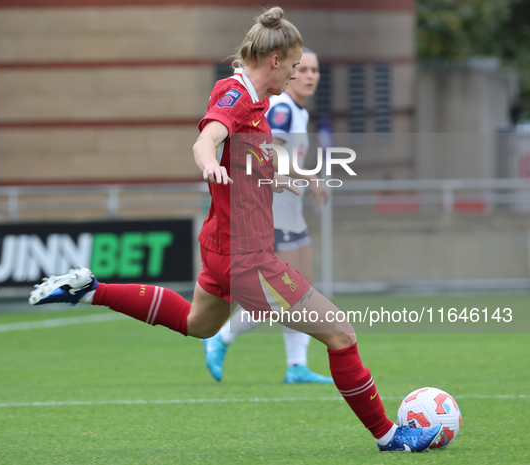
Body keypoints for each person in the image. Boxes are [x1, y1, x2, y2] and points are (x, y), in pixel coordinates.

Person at [29, 7, 443, 452]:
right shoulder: (236, 95)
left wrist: (279, 176)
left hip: (223, 247)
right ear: (276, 61)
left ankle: (90, 289)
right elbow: (207, 137)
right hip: (247, 256)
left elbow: (245, 155)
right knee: (340, 333)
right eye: (296, 65)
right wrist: (207, 161)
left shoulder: (255, 99)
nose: (299, 74)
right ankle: (390, 436)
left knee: (197, 323)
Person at [202, 48, 334, 384]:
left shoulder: (299, 113)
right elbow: (266, 154)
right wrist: (309, 175)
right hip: (272, 215)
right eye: (301, 69)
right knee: (283, 296)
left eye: (314, 70)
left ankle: (296, 365)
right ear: (287, 69)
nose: (308, 75)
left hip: (292, 215)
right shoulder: (282, 110)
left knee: (302, 291)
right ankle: (221, 336)